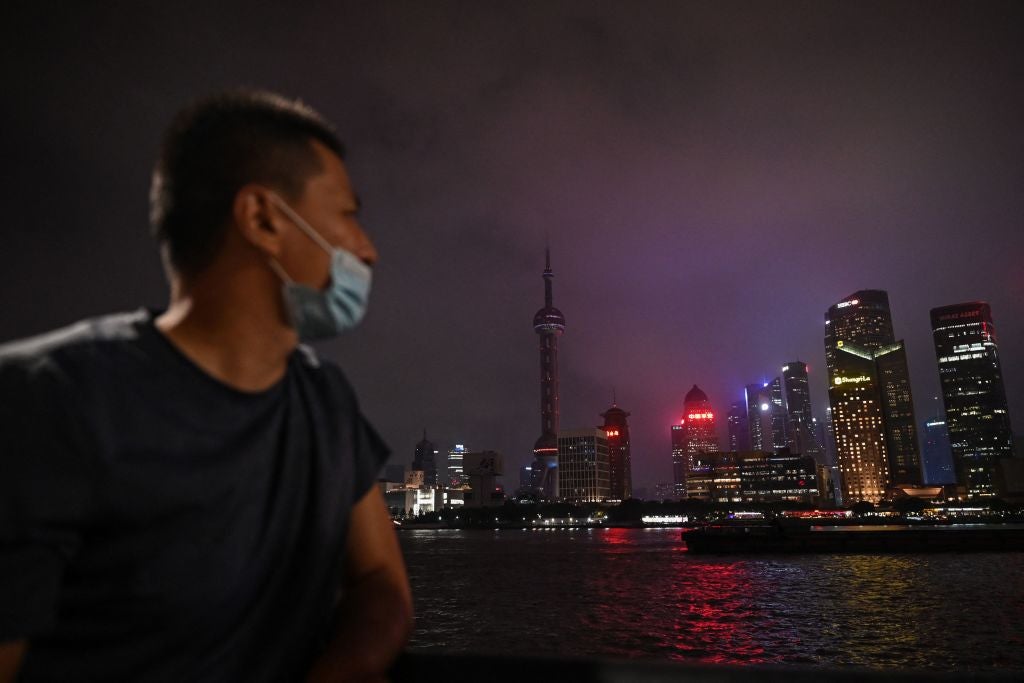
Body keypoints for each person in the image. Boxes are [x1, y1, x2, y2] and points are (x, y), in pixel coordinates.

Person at [0, 90, 413, 681]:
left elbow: (380, 585)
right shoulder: (48, 401)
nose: (366, 249)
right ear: (264, 219)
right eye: (347, 213)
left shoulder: (324, 401)